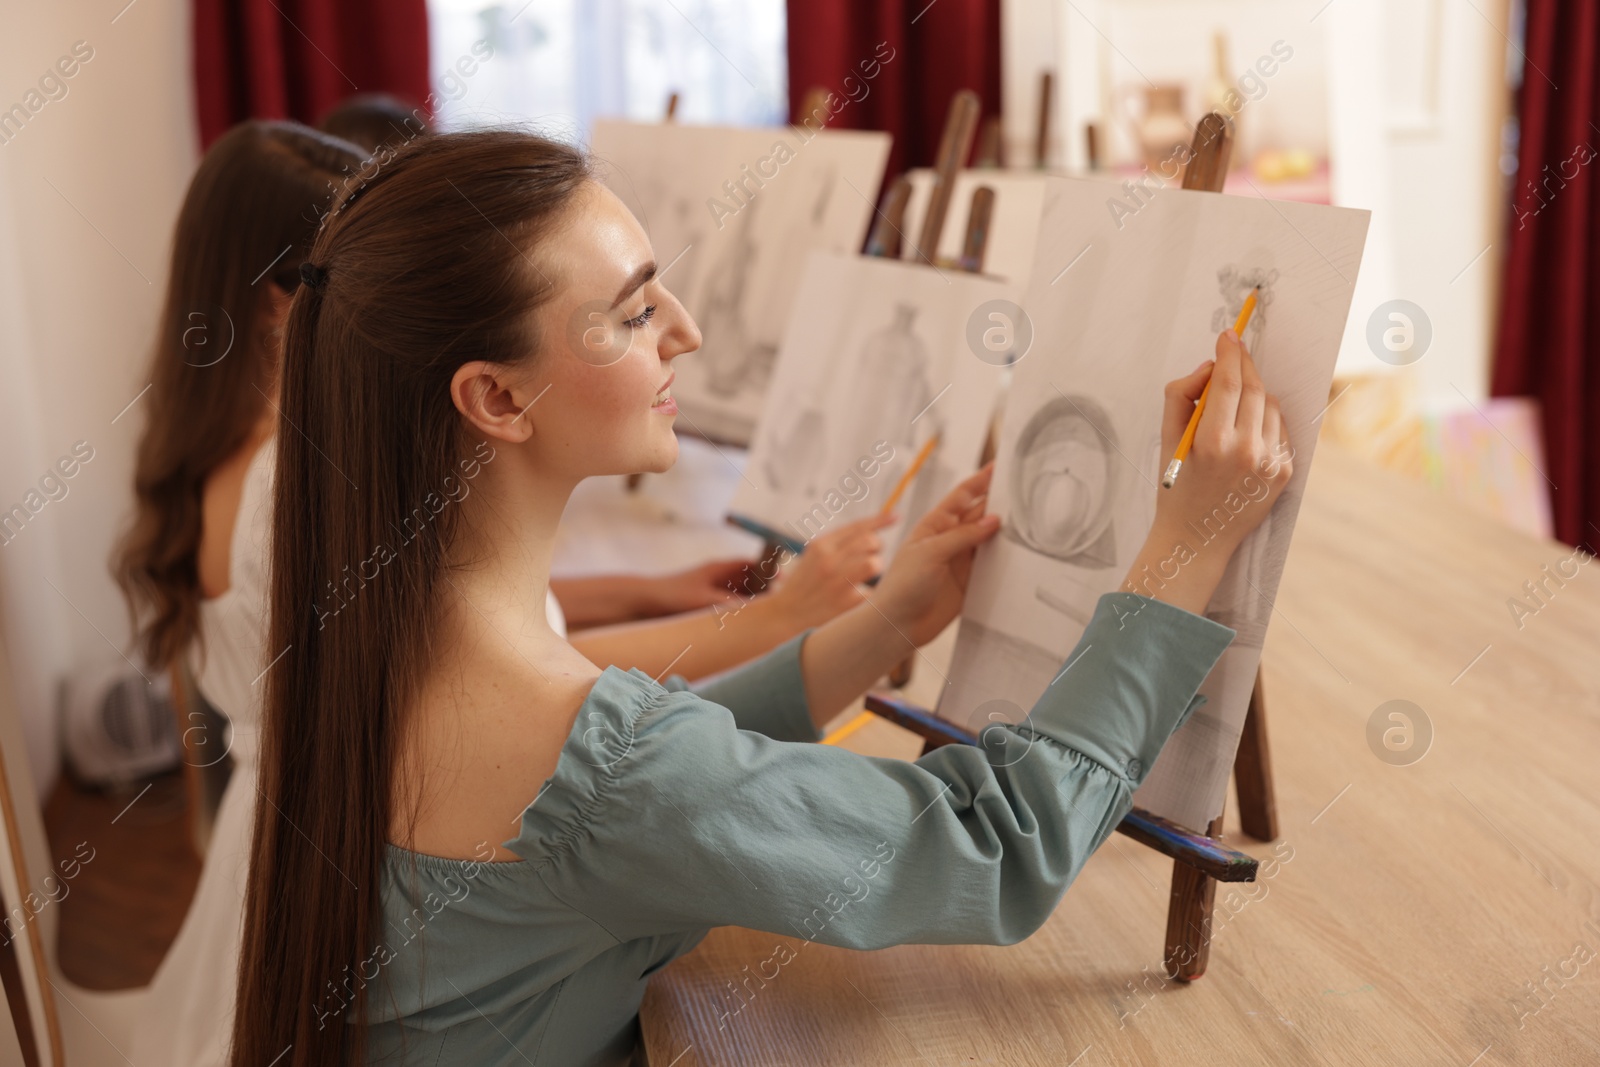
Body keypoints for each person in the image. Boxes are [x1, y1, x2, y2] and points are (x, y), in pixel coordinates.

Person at [230, 130, 1293, 1066]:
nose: (684, 330)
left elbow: (655, 779)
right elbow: (998, 846)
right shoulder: (592, 753)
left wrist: (878, 625)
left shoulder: (385, 637)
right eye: (636, 307)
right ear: (497, 397)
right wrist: (1187, 544)